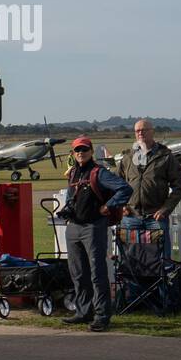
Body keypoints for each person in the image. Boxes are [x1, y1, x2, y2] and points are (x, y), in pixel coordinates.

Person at [61, 136, 132, 332]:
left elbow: (125, 188)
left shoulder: (98, 172)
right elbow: (70, 198)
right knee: (78, 272)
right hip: (74, 227)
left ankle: (102, 315)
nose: (80, 153)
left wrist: (108, 206)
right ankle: (84, 312)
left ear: (91, 151)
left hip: (93, 226)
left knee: (97, 272)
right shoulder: (74, 172)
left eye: (84, 150)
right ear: (73, 153)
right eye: (77, 150)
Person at [117, 119, 181, 261]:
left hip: (156, 217)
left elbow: (178, 186)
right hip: (131, 217)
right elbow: (117, 184)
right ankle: (132, 284)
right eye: (137, 130)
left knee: (160, 259)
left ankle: (161, 284)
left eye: (144, 129)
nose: (140, 132)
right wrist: (122, 205)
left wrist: (165, 209)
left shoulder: (166, 156)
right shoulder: (128, 157)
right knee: (130, 259)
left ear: (152, 132)